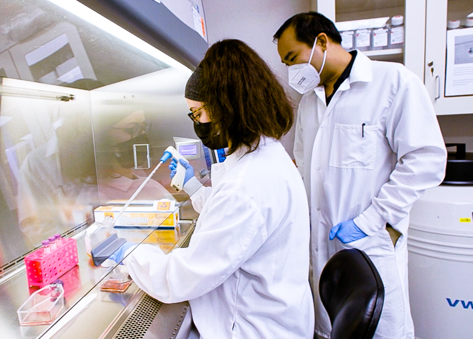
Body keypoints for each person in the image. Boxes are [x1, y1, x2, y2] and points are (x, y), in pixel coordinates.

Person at [110, 39, 315, 338]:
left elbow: (183, 277)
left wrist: (129, 254)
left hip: (253, 329)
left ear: (226, 108)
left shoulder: (249, 185)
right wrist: (194, 187)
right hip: (278, 317)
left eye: (198, 113)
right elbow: (237, 224)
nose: (197, 122)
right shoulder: (267, 157)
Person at [273, 12, 447, 339]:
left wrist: (371, 221)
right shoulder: (309, 103)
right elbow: (301, 163)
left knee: (379, 330)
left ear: (321, 42)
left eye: (293, 58)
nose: (291, 70)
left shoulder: (393, 82)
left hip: (371, 246)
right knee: (332, 331)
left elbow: (426, 160)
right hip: (322, 253)